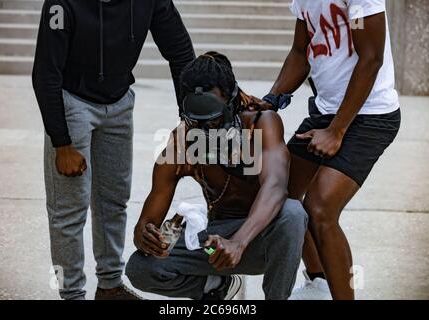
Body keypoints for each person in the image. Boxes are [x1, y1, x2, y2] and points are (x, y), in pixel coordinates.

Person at [32, 0, 195, 300]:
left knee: (114, 200)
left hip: (119, 103)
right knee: (68, 210)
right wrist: (61, 142)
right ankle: (71, 294)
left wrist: (190, 120)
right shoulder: (61, 3)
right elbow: (45, 72)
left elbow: (180, 50)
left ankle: (109, 285)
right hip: (73, 102)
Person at [125, 52, 308, 300]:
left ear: (231, 101)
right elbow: (146, 223)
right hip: (214, 243)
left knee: (293, 213)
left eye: (212, 120)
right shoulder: (181, 142)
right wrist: (146, 237)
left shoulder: (260, 123)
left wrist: (239, 242)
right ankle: (217, 287)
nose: (204, 130)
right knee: (140, 268)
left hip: (260, 240)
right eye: (195, 120)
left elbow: (276, 188)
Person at [262, 0, 401, 299]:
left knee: (320, 208)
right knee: (279, 195)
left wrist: (337, 131)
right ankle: (318, 284)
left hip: (371, 116)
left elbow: (371, 58)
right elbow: (301, 53)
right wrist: (271, 99)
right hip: (326, 112)